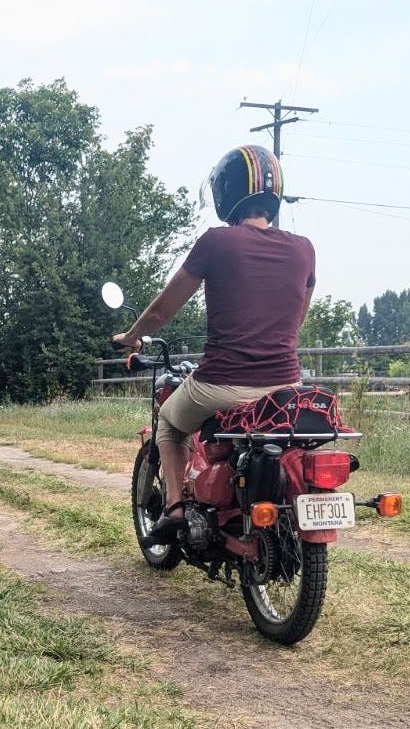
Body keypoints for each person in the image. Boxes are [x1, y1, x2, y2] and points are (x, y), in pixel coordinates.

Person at [112, 145, 315, 537]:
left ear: (227, 193)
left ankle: (173, 511)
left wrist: (132, 337)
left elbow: (161, 311)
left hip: (221, 383)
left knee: (169, 422)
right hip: (285, 387)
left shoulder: (217, 242)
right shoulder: (305, 249)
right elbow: (295, 325)